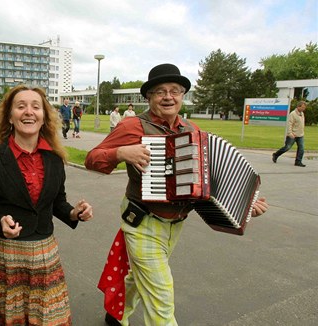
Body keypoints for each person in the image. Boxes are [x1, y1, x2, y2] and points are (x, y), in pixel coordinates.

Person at [85, 63, 269, 326]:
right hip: (143, 222)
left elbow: (209, 185)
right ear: (148, 97)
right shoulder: (133, 126)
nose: (168, 96)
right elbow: (92, 159)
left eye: (175, 90)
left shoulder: (192, 131)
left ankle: (117, 313)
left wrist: (245, 206)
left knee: (140, 277)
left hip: (175, 226)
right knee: (161, 299)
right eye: (160, 91)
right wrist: (120, 153)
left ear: (183, 96)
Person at [0, 85, 93, 326]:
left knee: (51, 319)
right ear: (9, 116)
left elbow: (57, 202)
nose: (29, 112)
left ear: (45, 116)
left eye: (35, 106)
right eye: (21, 106)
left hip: (46, 254)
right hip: (7, 254)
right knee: (8, 320)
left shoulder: (55, 158)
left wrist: (74, 212)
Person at [272, 101, 307, 167]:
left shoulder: (302, 114)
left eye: (304, 107)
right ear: (298, 106)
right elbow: (289, 124)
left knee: (301, 148)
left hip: (300, 135)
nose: (303, 109)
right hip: (292, 134)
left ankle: (298, 161)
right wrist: (290, 133)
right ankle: (276, 155)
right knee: (287, 147)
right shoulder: (293, 114)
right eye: (302, 107)